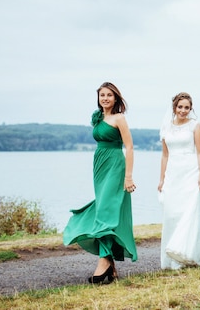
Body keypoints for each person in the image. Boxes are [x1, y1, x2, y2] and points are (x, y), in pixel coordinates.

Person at [63, 82, 138, 284]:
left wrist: (128, 176)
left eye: (109, 95)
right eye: (102, 95)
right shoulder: (99, 118)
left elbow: (129, 147)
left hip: (115, 165)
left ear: (116, 98)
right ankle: (110, 265)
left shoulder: (119, 118)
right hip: (100, 165)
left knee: (106, 212)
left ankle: (103, 262)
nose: (105, 98)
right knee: (102, 210)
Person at [158, 92, 200, 269]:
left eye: (187, 107)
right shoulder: (166, 127)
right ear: (174, 107)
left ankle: (189, 253)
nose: (183, 110)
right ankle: (172, 256)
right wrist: (162, 179)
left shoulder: (195, 126)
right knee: (172, 213)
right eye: (180, 107)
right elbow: (165, 155)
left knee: (189, 211)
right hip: (173, 173)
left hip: (190, 172)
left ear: (190, 108)